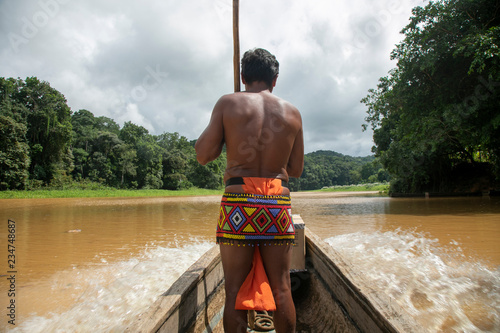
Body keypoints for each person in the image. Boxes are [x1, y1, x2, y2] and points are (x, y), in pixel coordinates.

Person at [195, 48, 304, 333]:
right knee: (281, 289)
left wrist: (226, 129)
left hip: (239, 201)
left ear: (243, 76)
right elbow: (296, 169)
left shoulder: (227, 103)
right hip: (276, 203)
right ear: (275, 80)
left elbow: (203, 155)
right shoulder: (292, 112)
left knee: (233, 290)